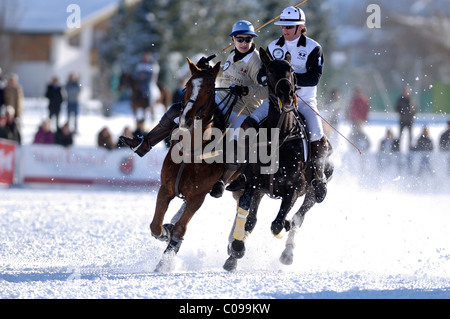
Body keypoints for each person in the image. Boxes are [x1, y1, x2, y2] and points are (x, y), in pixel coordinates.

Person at [120, 20, 268, 198]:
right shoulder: (232, 55)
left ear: (252, 40)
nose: (244, 43)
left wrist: (245, 90)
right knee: (180, 109)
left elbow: (265, 90)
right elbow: (224, 76)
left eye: (247, 39)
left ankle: (224, 180)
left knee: (238, 141)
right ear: (234, 39)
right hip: (222, 100)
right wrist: (205, 69)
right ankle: (145, 144)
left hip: (242, 110)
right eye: (240, 39)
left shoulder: (256, 61)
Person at [235, 7, 330, 202]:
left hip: (304, 102)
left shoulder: (313, 48)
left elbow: (314, 77)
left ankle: (319, 177)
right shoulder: (273, 47)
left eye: (289, 26)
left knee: (316, 135)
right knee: (248, 125)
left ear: (300, 27)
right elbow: (262, 73)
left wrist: (288, 79)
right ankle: (244, 173)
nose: (284, 30)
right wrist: (266, 78)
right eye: (282, 26)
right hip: (275, 102)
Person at [396, 85, 417, 150]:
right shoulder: (400, 100)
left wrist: (412, 114)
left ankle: (409, 147)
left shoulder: (411, 100)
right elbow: (397, 108)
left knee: (410, 135)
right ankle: (398, 148)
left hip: (409, 120)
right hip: (402, 120)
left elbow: (415, 109)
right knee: (400, 135)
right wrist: (402, 114)